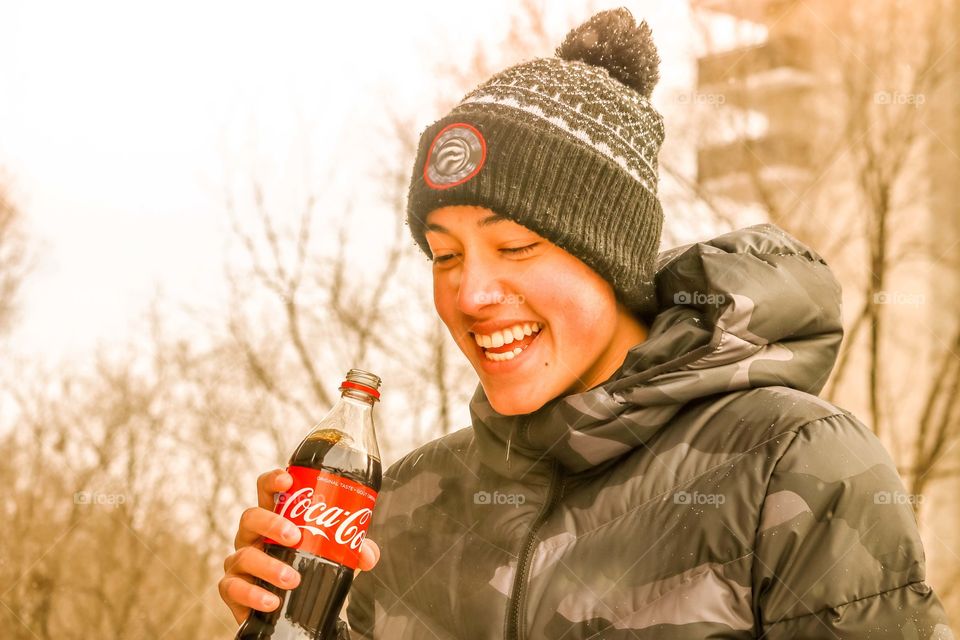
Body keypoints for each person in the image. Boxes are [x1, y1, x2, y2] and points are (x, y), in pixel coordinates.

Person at [219, 8, 955, 639]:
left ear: (614, 262)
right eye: (444, 256)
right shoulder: (408, 506)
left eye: (515, 247)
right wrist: (297, 614)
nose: (470, 293)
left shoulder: (791, 464)